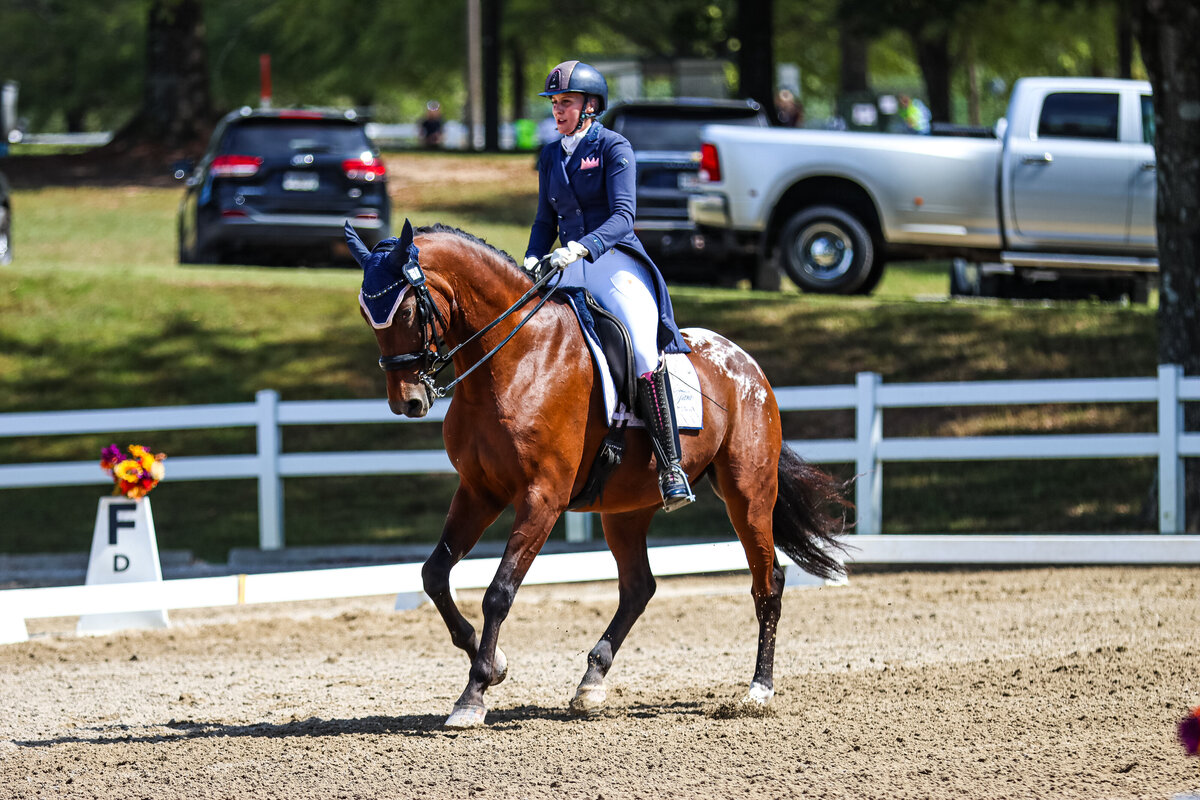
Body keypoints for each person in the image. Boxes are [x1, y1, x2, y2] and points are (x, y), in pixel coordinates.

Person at [524, 60, 695, 512]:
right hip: (564, 264)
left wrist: (582, 248)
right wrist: (530, 255)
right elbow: (545, 220)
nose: (558, 111)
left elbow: (624, 216)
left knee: (641, 349)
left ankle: (671, 465)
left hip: (612, 260)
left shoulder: (615, 147)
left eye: (566, 103)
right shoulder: (550, 155)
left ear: (590, 107)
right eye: (555, 103)